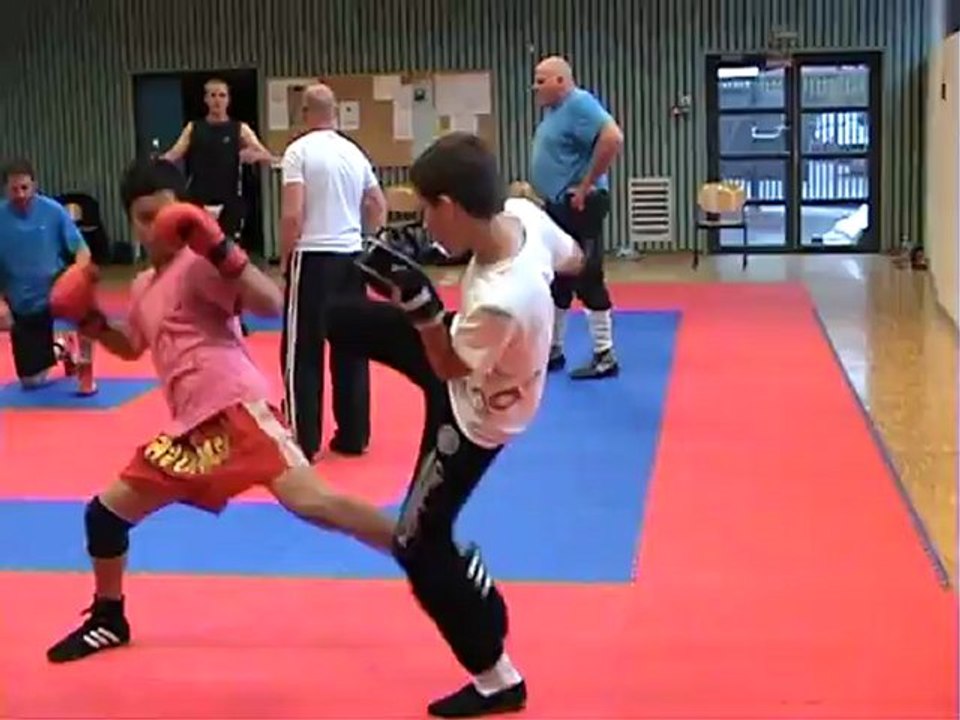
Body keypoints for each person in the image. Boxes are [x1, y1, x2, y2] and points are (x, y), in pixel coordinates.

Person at [44, 159, 395, 665]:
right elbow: (131, 347)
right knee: (104, 515)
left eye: (163, 216)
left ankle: (418, 549)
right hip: (190, 431)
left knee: (315, 504)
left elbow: (272, 303)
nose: (153, 229)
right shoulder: (143, 286)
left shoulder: (201, 263)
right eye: (142, 218)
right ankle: (108, 617)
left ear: (185, 214)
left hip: (235, 410)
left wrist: (220, 247)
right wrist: (90, 319)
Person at [327, 132, 584, 718]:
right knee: (340, 318)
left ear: (450, 205)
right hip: (471, 352)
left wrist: (418, 307)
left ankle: (498, 679)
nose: (423, 221)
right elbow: (572, 256)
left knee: (415, 545)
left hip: (474, 411)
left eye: (424, 208)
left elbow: (444, 364)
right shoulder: (521, 216)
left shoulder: (502, 299)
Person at [279, 83, 387, 460]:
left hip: (313, 256)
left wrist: (284, 258)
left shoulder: (298, 152)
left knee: (302, 350)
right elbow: (377, 203)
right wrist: (366, 237)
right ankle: (353, 436)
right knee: (351, 346)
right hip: (351, 257)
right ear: (335, 112)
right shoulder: (353, 152)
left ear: (305, 112)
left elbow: (293, 213)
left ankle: (304, 442)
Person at [530, 55, 625, 380]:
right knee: (559, 278)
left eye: (542, 80)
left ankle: (604, 354)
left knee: (587, 275)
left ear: (561, 80)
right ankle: (553, 350)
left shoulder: (580, 103)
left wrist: (585, 186)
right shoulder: (556, 113)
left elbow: (612, 138)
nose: (536, 87)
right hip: (559, 206)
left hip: (581, 205)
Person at [0, 158, 97, 395]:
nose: (21, 194)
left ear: (34, 185)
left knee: (86, 302)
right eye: (14, 189)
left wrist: (79, 277)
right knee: (31, 382)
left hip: (56, 290)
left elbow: (82, 250)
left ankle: (86, 372)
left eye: (25, 188)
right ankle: (61, 347)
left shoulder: (53, 211)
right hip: (23, 302)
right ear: (5, 190)